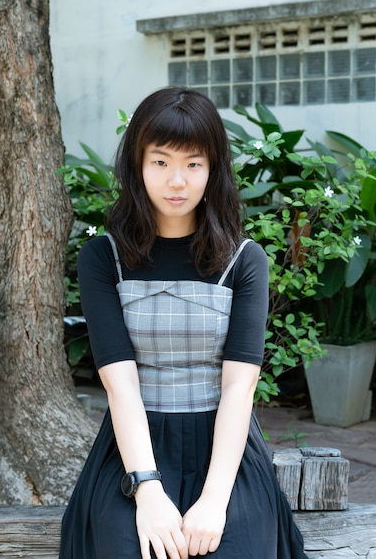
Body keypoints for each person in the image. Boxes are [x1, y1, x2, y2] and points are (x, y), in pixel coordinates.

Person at [59, 87, 308, 559]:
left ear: (213, 170)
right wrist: (147, 490)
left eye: (193, 163)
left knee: (236, 546)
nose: (177, 181)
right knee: (128, 546)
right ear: (137, 165)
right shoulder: (103, 258)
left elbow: (239, 386)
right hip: (134, 451)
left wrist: (215, 500)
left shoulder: (244, 259)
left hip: (225, 452)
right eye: (161, 162)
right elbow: (121, 385)